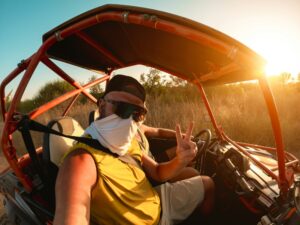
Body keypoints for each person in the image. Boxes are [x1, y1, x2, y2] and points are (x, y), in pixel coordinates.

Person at [54, 75, 214, 225]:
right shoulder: (80, 161)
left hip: (158, 201)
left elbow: (158, 172)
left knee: (208, 183)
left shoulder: (127, 141)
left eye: (138, 114)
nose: (129, 120)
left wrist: (180, 160)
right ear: (102, 105)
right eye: (122, 109)